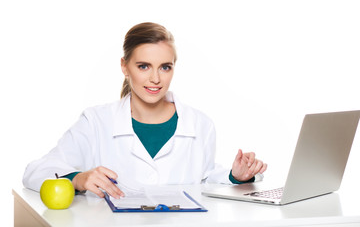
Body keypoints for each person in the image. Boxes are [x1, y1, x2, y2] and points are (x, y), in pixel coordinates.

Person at [23, 22, 267, 199]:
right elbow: (36, 172)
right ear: (124, 66)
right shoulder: (95, 121)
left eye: (165, 67)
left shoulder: (199, 124)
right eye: (143, 66)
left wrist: (237, 176)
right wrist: (78, 179)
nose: (155, 79)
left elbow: (204, 179)